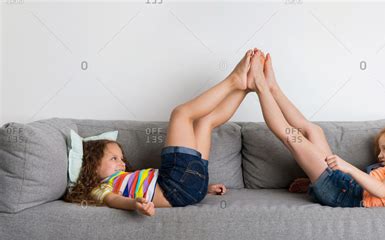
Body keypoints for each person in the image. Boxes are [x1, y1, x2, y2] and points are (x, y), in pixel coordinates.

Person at [64, 49, 255, 216]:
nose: (122, 163)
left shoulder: (123, 179)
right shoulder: (99, 188)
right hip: (175, 187)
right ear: (92, 164)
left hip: (189, 187)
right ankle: (234, 81)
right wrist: (135, 204)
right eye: (113, 158)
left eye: (120, 158)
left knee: (206, 122)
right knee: (181, 114)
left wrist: (205, 189)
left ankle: (245, 88)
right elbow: (113, 201)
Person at [247, 48, 385, 208]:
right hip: (340, 185)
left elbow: (382, 191)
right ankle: (273, 89)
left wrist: (347, 167)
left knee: (292, 136)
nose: (379, 155)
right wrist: (313, 182)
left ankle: (261, 87)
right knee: (314, 130)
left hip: (342, 193)